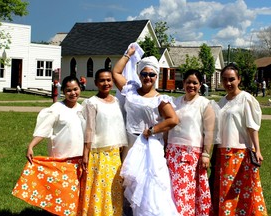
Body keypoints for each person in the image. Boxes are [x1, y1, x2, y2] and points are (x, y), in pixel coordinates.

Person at [112, 44, 180, 216]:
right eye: (144, 74)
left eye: (151, 74)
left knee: (149, 185)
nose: (147, 77)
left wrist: (153, 129)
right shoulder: (131, 90)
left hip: (149, 146)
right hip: (130, 142)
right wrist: (128, 54)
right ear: (139, 74)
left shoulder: (160, 99)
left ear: (156, 76)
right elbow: (116, 73)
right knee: (129, 182)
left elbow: (173, 119)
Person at [12, 76, 85, 216]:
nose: (73, 93)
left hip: (79, 159)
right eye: (68, 90)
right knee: (60, 195)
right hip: (61, 159)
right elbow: (44, 128)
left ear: (80, 89)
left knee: (75, 195)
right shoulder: (57, 109)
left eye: (75, 89)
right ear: (63, 91)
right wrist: (31, 145)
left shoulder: (83, 109)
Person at [211, 63, 268, 215]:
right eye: (224, 79)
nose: (228, 83)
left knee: (238, 192)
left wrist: (257, 149)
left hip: (239, 152)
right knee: (225, 191)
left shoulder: (245, 99)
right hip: (222, 152)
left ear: (239, 80)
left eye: (231, 79)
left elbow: (252, 126)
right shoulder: (221, 102)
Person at [166, 69, 217, 215]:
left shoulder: (205, 104)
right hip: (172, 154)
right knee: (173, 191)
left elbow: (209, 132)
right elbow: (168, 126)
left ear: (200, 84)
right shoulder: (175, 102)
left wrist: (206, 154)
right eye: (188, 82)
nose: (191, 85)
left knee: (185, 192)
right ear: (183, 83)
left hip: (191, 156)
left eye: (195, 82)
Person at [78, 69, 128, 216]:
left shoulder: (117, 101)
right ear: (96, 83)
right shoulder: (91, 103)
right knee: (100, 189)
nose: (106, 83)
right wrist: (86, 153)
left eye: (108, 80)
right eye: (102, 80)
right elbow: (89, 129)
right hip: (99, 153)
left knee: (113, 188)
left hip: (114, 155)